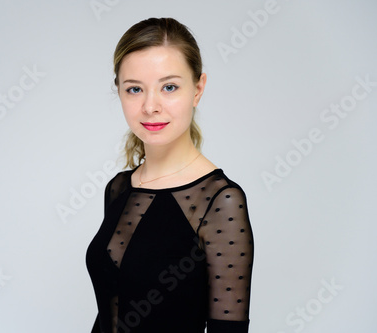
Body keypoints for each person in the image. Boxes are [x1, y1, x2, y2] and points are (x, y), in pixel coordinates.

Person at [86, 17, 254, 333]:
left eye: (169, 87)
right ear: (119, 92)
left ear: (198, 89)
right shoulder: (119, 188)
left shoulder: (220, 202)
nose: (150, 106)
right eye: (134, 89)